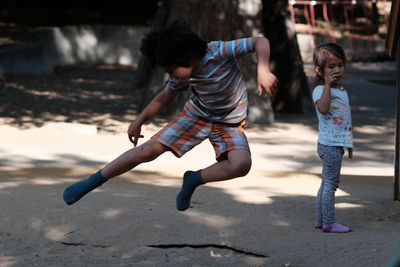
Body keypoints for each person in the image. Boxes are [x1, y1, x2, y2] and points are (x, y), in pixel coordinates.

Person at [63, 21, 278, 211]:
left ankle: (194, 178)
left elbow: (260, 41)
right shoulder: (182, 74)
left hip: (229, 122)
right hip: (198, 115)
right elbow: (163, 97)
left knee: (241, 165)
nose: (171, 76)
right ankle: (93, 181)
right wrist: (139, 121)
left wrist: (263, 70)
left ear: (187, 58)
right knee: (147, 150)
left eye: (171, 70)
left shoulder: (219, 51)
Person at [312, 43, 353, 233]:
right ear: (319, 71)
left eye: (340, 65)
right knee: (331, 184)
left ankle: (321, 220)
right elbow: (323, 108)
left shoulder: (342, 90)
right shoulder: (320, 90)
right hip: (329, 145)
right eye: (331, 67)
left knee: (326, 182)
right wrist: (327, 85)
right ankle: (328, 222)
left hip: (337, 144)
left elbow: (345, 120)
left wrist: (349, 143)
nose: (336, 70)